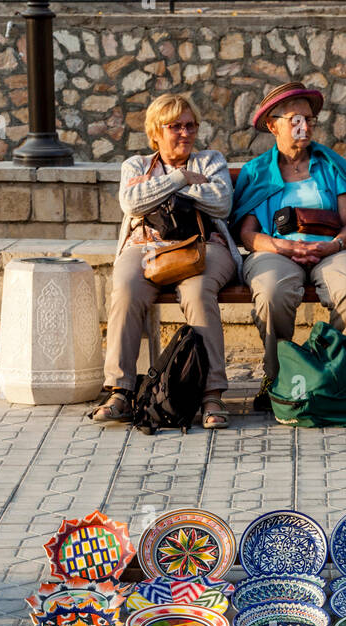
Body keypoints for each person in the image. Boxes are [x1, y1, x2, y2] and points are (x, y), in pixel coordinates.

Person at [233, 81, 346, 408]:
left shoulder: (331, 165)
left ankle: (333, 376)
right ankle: (275, 377)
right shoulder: (257, 171)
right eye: (295, 120)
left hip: (328, 250)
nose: (304, 127)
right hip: (276, 251)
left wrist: (333, 246)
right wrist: (281, 247)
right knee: (271, 291)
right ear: (274, 126)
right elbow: (246, 234)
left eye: (309, 120)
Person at [93, 93, 242, 427]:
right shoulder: (134, 165)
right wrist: (180, 179)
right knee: (127, 289)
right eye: (175, 126)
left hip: (204, 246)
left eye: (190, 126)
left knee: (198, 292)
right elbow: (132, 203)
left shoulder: (211, 161)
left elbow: (220, 203)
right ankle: (120, 390)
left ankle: (212, 394)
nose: (185, 133)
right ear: (155, 132)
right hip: (146, 248)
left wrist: (160, 189)